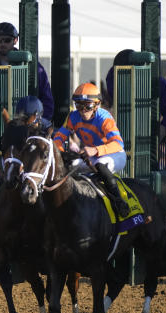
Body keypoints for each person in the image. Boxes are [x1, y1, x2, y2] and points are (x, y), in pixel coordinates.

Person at [52, 83, 130, 218]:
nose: (83, 111)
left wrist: (96, 150)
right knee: (67, 167)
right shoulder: (73, 117)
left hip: (114, 154)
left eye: (87, 106)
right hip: (91, 156)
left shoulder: (104, 118)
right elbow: (59, 138)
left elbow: (118, 144)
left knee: (100, 165)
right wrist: (58, 153)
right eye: (79, 105)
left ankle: (119, 202)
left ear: (97, 105)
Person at [0, 22, 54, 131]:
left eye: (7, 40)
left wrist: (42, 120)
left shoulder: (32, 65)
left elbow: (46, 95)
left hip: (29, 123)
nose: (2, 44)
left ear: (15, 40)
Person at [103, 48, 166, 140]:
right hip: (122, 133)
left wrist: (165, 127)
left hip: (148, 135)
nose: (126, 77)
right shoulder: (113, 77)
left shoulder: (158, 83)